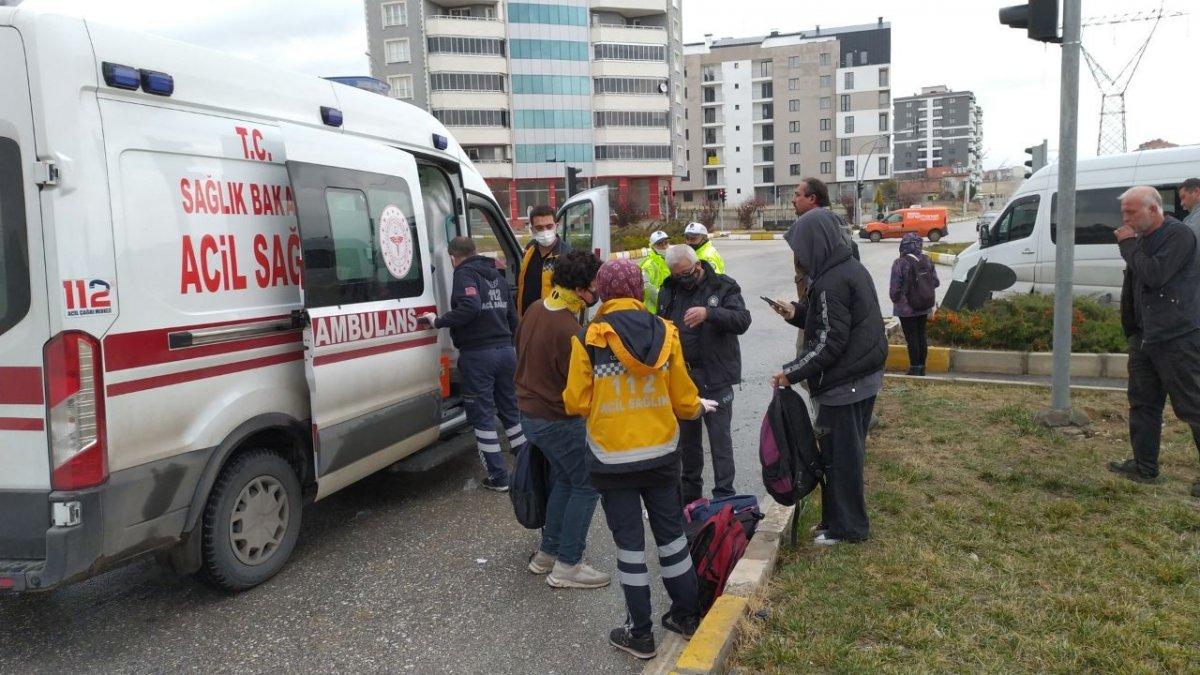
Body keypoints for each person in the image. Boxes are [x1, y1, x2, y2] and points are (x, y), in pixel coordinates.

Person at [563, 259, 717, 660]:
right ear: (636, 291)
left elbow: (576, 402)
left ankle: (641, 634)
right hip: (662, 456)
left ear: (607, 292)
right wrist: (697, 408)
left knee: (630, 548)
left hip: (611, 460)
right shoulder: (666, 332)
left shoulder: (589, 338)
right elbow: (685, 401)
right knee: (671, 540)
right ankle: (686, 616)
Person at [769, 208, 888, 545]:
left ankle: (849, 530)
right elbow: (828, 320)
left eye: (801, 247)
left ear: (815, 243)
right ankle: (835, 522)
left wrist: (790, 373)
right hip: (857, 378)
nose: (799, 256)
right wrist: (796, 313)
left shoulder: (833, 279)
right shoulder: (842, 269)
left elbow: (828, 342)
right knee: (837, 455)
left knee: (842, 459)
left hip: (846, 383)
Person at [515, 250, 610, 589]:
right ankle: (569, 564)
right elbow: (580, 386)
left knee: (566, 481)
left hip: (529, 413)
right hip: (557, 418)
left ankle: (548, 554)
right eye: (595, 284)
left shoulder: (536, 309)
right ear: (582, 289)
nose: (598, 289)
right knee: (587, 484)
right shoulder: (571, 330)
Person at [1106, 186, 1200, 498]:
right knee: (1143, 403)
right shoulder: (1142, 239)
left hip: (1176, 337)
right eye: (1124, 213)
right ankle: (1145, 466)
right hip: (1144, 337)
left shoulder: (1179, 236)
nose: (1125, 219)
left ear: (1154, 210)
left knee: (1192, 407)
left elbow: (1154, 275)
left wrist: (1128, 246)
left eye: (1131, 212)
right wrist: (1132, 329)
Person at [419, 237, 524, 492]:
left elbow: (471, 306)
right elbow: (513, 318)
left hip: (479, 355)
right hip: (505, 351)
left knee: (483, 416)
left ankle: (499, 478)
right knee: (511, 411)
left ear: (454, 255)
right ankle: (527, 469)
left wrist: (438, 321)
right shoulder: (495, 275)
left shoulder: (464, 274)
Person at [657, 244, 751, 505]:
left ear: (697, 264)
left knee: (720, 440)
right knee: (688, 444)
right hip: (682, 380)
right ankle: (691, 499)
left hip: (716, 376)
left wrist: (710, 314)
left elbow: (742, 320)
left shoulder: (723, 286)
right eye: (678, 275)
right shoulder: (669, 289)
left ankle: (724, 498)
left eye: (687, 273)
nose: (684, 279)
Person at [889, 233, 940, 376]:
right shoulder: (927, 260)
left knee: (911, 337)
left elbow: (894, 289)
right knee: (921, 335)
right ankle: (922, 367)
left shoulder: (900, 263)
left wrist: (897, 300)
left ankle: (914, 369)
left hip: (906, 308)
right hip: (924, 304)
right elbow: (935, 282)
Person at [518, 204, 570, 318]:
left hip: (552, 323)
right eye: (540, 228)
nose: (545, 231)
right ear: (532, 229)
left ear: (556, 226)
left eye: (549, 226)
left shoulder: (566, 256)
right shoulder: (529, 250)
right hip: (527, 318)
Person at [639, 230, 671, 314]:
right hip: (653, 312)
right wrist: (663, 301)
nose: (664, 247)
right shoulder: (649, 264)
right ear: (653, 247)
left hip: (665, 309)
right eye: (660, 244)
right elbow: (646, 286)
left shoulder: (668, 261)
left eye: (666, 243)